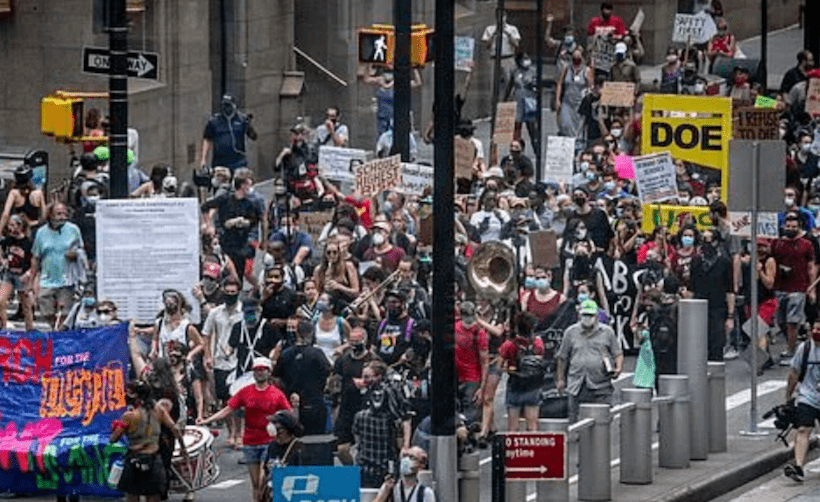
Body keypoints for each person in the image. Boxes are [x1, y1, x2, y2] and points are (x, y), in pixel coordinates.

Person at [197, 357, 290, 502]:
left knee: (264, 481)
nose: (259, 373)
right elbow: (228, 409)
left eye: (262, 370)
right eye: (256, 370)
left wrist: (281, 429)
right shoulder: (245, 392)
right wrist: (207, 420)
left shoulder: (276, 394)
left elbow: (287, 414)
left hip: (269, 440)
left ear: (269, 372)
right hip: (250, 440)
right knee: (255, 484)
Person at [110, 380, 187, 502]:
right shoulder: (159, 410)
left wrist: (116, 428)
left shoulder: (129, 416)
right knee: (153, 496)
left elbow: (113, 439)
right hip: (154, 460)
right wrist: (184, 449)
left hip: (134, 459)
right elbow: (175, 429)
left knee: (132, 496)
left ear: (134, 396)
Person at [556, 299, 623, 422]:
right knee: (575, 420)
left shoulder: (607, 332)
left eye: (590, 315)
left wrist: (618, 368)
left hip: (600, 384)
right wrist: (560, 379)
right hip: (577, 383)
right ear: (579, 315)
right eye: (584, 315)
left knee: (601, 420)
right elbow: (562, 357)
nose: (587, 318)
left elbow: (617, 353)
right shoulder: (570, 332)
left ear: (596, 316)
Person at [201, 276, 244, 447]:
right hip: (220, 360)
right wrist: (207, 356)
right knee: (225, 399)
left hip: (238, 361)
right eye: (227, 292)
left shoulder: (243, 311)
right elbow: (206, 334)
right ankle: (231, 431)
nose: (230, 295)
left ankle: (240, 433)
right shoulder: (215, 312)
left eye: (233, 292)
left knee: (238, 399)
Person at [31, 203, 84, 329]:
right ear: (50, 215)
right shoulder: (41, 233)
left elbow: (82, 251)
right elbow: (36, 257)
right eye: (59, 214)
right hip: (47, 278)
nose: (62, 217)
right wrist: (33, 280)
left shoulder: (73, 229)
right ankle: (56, 330)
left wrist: (75, 254)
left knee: (64, 314)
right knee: (46, 311)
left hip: (67, 278)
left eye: (64, 214)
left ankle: (59, 336)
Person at [273, 320, 332, 435]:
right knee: (316, 441)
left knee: (293, 440)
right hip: (315, 403)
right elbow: (328, 372)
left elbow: (277, 378)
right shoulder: (317, 353)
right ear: (311, 333)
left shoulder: (285, 354)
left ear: (297, 333)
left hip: (291, 403)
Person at [772, 214, 816, 363]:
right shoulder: (777, 244)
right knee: (781, 321)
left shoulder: (806, 244)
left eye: (793, 227)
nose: (790, 229)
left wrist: (811, 288)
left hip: (799, 287)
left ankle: (791, 351)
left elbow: (811, 266)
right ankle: (793, 343)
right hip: (780, 287)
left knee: (792, 321)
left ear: (799, 227)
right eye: (788, 226)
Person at [201, 175, 263, 278]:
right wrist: (208, 225)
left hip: (242, 242)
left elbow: (254, 220)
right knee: (226, 272)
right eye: (248, 185)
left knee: (239, 274)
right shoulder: (225, 198)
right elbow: (205, 207)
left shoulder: (250, 202)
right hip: (225, 241)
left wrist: (246, 222)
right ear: (242, 186)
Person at [333, 326, 377, 465]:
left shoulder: (372, 360)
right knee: (341, 449)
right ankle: (352, 472)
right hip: (347, 408)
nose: (354, 345)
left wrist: (367, 382)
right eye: (352, 341)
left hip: (366, 409)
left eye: (357, 341)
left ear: (364, 340)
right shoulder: (343, 360)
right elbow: (334, 384)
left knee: (365, 448)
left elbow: (382, 381)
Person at [690, 228, 736, 361]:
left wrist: (730, 316)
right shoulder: (696, 261)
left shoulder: (724, 262)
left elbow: (730, 290)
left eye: (710, 240)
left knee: (716, 346)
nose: (707, 244)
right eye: (704, 241)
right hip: (698, 309)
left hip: (718, 309)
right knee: (698, 348)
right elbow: (691, 288)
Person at [783, 320, 820, 482]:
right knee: (803, 429)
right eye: (815, 328)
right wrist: (789, 396)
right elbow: (794, 373)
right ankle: (798, 466)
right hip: (808, 395)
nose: (816, 331)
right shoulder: (804, 349)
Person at [499, 313, 545, 431]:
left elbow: (499, 366)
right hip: (533, 387)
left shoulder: (509, 344)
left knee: (513, 427)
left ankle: (513, 449)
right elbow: (540, 359)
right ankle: (533, 448)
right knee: (532, 425)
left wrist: (511, 369)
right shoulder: (538, 343)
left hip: (515, 385)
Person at [199, 94, 257, 172]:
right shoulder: (214, 121)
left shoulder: (241, 119)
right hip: (220, 161)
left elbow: (254, 137)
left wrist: (249, 126)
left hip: (238, 161)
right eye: (224, 105)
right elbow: (207, 139)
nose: (226, 108)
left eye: (228, 105)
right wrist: (203, 160)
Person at [455, 301, 489, 427]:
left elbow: (485, 362)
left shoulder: (479, 333)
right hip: (456, 376)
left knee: (470, 418)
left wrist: (482, 388)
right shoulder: (455, 327)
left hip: (472, 378)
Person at [0, 214, 34, 331]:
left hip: (22, 275)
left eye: (13, 225)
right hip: (9, 274)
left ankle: (29, 329)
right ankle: (3, 327)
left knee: (25, 305)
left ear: (20, 227)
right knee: (1, 300)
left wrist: (29, 274)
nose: (11, 228)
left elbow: (33, 261)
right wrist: (2, 259)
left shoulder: (27, 243)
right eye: (10, 225)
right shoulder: (9, 240)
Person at [504, 52, 539, 154]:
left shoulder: (533, 70)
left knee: (532, 127)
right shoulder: (514, 71)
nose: (526, 60)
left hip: (530, 101)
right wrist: (504, 100)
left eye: (527, 58)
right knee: (517, 127)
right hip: (518, 101)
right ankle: (517, 149)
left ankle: (536, 150)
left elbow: (538, 86)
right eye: (524, 58)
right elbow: (509, 86)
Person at [481, 11, 521, 99]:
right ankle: (493, 105)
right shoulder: (490, 29)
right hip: (494, 59)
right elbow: (486, 45)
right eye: (499, 16)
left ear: (506, 17)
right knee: (493, 83)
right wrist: (493, 34)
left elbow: (516, 43)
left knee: (509, 83)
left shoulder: (512, 29)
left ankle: (510, 104)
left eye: (503, 16)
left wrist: (508, 33)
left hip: (508, 58)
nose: (501, 18)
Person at [556, 48, 594, 139]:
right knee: (565, 124)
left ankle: (577, 147)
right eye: (574, 56)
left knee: (578, 128)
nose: (576, 58)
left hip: (580, 103)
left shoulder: (586, 70)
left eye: (578, 56)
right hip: (567, 101)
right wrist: (557, 99)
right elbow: (560, 83)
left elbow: (590, 86)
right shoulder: (566, 68)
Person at [0, 165, 45, 234]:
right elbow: (44, 216)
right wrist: (33, 223)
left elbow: (5, 215)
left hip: (20, 230)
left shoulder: (14, 193)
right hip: (35, 229)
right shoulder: (38, 193)